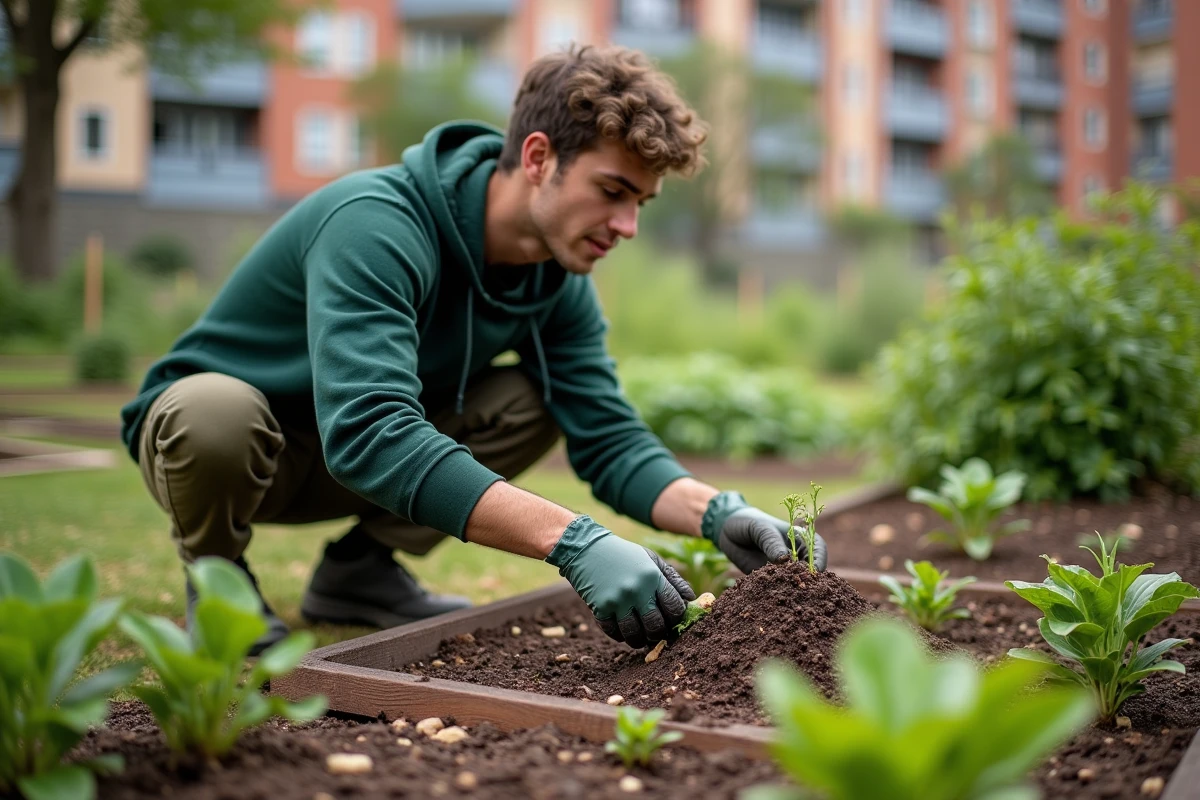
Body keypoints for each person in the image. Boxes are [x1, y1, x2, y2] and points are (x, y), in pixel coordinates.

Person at [120, 44, 827, 656]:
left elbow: (608, 436)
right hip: (238, 451)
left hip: (353, 463)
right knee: (212, 410)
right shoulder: (376, 223)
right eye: (613, 191)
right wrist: (574, 540)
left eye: (641, 201)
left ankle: (361, 573)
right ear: (539, 157)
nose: (627, 225)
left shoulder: (558, 276)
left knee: (532, 401)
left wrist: (720, 513)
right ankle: (218, 581)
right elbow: (368, 430)